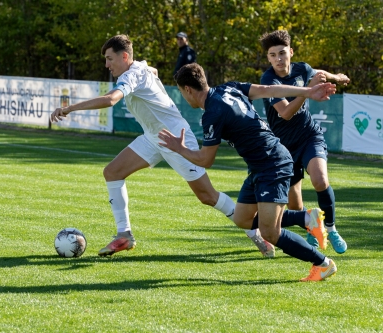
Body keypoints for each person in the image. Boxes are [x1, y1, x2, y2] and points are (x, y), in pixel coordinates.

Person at [51, 34, 264, 257]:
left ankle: (256, 233)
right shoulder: (139, 67)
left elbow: (110, 100)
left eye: (109, 58)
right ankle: (124, 235)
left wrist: (69, 108)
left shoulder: (131, 75)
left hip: (175, 138)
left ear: (124, 56)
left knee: (207, 196)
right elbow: (153, 71)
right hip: (154, 136)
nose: (106, 64)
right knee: (112, 172)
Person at [158, 63, 338, 281]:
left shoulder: (212, 113)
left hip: (273, 164)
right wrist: (307, 92)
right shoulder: (228, 88)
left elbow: (206, 160)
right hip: (260, 166)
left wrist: (180, 149)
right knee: (243, 219)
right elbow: (267, 90)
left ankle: (323, 263)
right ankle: (306, 218)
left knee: (270, 232)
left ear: (187, 89)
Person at [259, 30, 349, 254]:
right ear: (268, 58)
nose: (278, 59)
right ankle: (311, 229)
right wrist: (308, 92)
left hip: (309, 136)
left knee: (320, 180)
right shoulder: (269, 80)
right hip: (283, 147)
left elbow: (318, 72)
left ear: (290, 51)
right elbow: (286, 113)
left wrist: (336, 77)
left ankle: (331, 227)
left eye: (282, 53)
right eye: (273, 55)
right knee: (294, 201)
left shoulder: (302, 68)